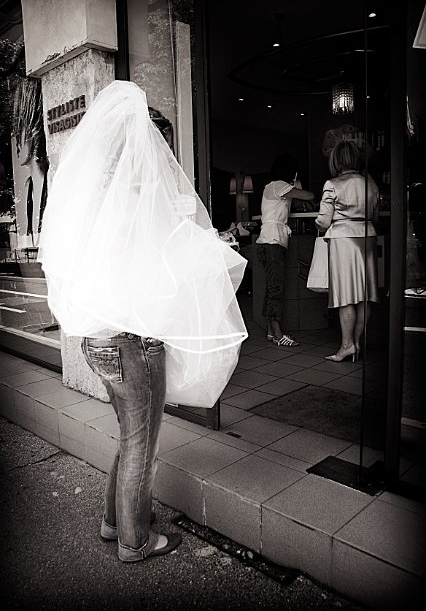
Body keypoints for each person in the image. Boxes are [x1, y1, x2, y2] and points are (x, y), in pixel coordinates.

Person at [38, 80, 248, 562]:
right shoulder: (141, 202)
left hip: (98, 341)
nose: (164, 159)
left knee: (128, 433)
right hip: (134, 344)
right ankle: (136, 541)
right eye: (162, 148)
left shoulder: (98, 199)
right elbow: (167, 265)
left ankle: (115, 522)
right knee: (142, 445)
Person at [315, 140, 379, 362]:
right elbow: (376, 216)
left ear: (336, 161)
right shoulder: (370, 184)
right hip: (368, 236)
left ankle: (346, 345)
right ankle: (358, 342)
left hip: (343, 240)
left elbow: (323, 221)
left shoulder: (333, 184)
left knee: (346, 297)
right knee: (365, 296)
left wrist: (319, 224)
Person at [256, 154, 315, 346]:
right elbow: (309, 196)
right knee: (276, 289)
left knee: (271, 288)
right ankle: (279, 334)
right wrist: (297, 183)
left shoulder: (274, 187)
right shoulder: (278, 185)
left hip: (269, 242)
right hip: (273, 243)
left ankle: (271, 332)